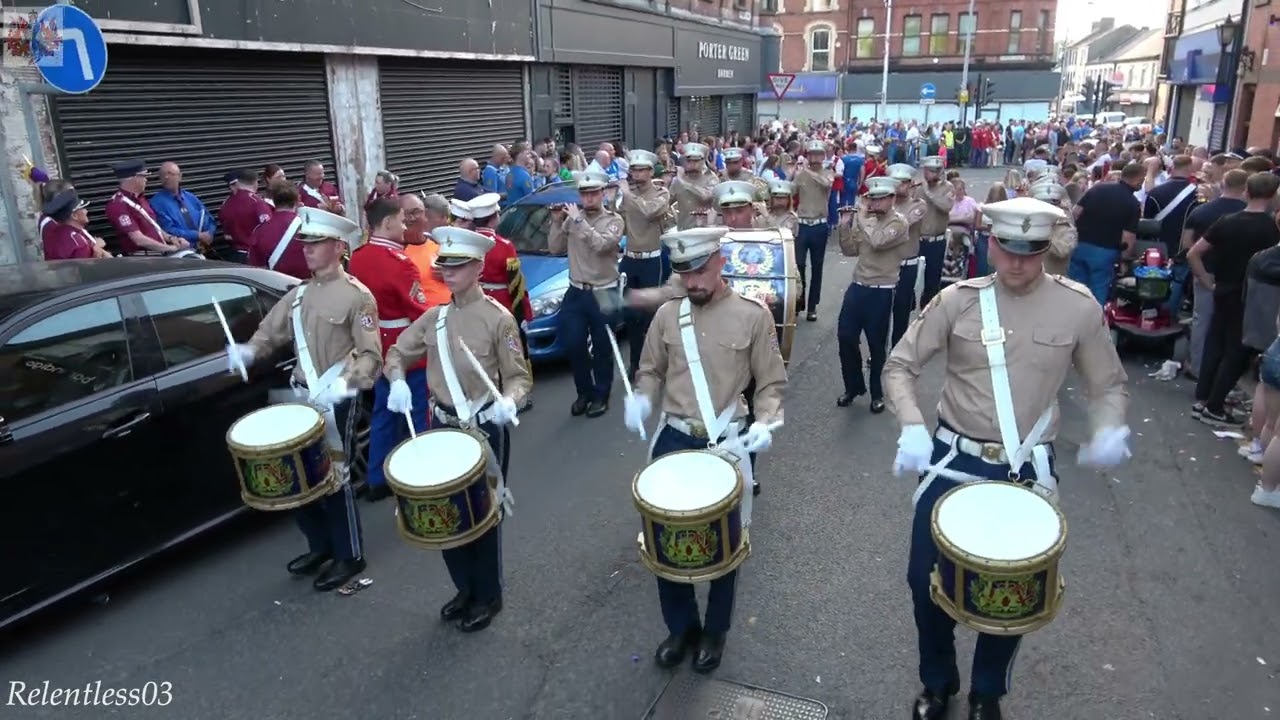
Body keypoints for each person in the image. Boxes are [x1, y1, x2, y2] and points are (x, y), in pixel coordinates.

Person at [883, 196, 1130, 720]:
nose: (1018, 262)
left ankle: (987, 692)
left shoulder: (1078, 305)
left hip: (1025, 469)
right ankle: (938, 682)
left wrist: (1109, 427)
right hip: (954, 462)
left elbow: (1107, 384)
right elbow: (901, 366)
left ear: (1046, 248)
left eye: (1031, 250)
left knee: (1012, 594)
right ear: (989, 242)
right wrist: (910, 425)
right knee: (924, 582)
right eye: (1008, 248)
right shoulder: (957, 300)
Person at [622, 226, 787, 674]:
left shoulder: (754, 316)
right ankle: (681, 627)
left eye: (698, 271)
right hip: (675, 437)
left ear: (719, 261)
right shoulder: (666, 316)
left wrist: (768, 420)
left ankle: (715, 628)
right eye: (683, 273)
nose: (692, 282)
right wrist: (641, 396)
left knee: (726, 542)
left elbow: (771, 382)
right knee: (665, 540)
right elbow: (651, 369)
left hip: (729, 439)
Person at [384, 226, 532, 632]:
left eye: (458, 265)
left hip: (484, 425)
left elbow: (519, 377)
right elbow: (397, 351)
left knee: (483, 515)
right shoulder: (434, 318)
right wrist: (396, 379)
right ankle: (463, 588)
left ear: (478, 267)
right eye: (444, 265)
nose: (447, 272)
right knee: (444, 511)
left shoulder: (498, 320)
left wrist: (509, 401)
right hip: (441, 424)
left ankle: (488, 594)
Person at [226, 207, 381, 591]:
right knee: (298, 475)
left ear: (338, 247)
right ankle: (320, 546)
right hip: (300, 393)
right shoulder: (297, 295)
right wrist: (249, 351)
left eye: (316, 243)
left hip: (337, 396)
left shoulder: (357, 296)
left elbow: (370, 355)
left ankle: (349, 554)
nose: (308, 250)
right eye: (306, 243)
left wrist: (347, 385)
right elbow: (270, 333)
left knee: (335, 477)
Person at [346, 197, 432, 501]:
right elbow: (418, 309)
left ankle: (377, 476)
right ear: (387, 223)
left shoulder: (357, 257)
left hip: (374, 344)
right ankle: (421, 473)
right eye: (401, 220)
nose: (405, 225)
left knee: (384, 410)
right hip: (403, 344)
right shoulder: (401, 263)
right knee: (419, 409)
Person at [1188, 171, 1280, 426]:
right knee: (1237, 351)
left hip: (1223, 288)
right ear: (1273, 197)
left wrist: (1208, 281)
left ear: (1246, 192)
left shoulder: (1226, 221)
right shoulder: (1272, 228)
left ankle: (1203, 399)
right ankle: (1215, 407)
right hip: (1255, 296)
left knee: (1215, 341)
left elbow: (1193, 253)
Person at [547, 170, 624, 418]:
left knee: (602, 346)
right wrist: (558, 221)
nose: (588, 198)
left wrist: (578, 222)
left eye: (593, 193)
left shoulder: (614, 220)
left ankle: (601, 395)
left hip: (604, 290)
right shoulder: (572, 218)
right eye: (584, 193)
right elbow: (554, 247)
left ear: (602, 193)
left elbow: (602, 246)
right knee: (574, 345)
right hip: (576, 291)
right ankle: (584, 392)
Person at [837, 176, 908, 411]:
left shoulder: (898, 223)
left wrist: (862, 218)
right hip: (858, 286)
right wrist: (845, 225)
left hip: (881, 291)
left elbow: (877, 242)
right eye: (872, 199)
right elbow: (849, 250)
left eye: (879, 199)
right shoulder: (867, 222)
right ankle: (853, 386)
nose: (874, 204)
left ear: (892, 199)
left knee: (877, 345)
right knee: (846, 336)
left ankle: (877, 393)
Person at [617, 149, 672, 379]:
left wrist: (628, 195)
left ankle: (654, 364)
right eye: (633, 169)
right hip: (630, 259)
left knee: (652, 316)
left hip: (652, 259)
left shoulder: (661, 193)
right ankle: (635, 363)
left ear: (650, 171)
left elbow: (650, 212)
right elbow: (616, 213)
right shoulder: (627, 194)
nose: (636, 174)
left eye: (641, 170)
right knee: (631, 315)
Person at [1068, 163, 1144, 305]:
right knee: (1097, 293)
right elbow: (1128, 237)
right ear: (1138, 179)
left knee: (1074, 288)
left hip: (1080, 245)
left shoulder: (1097, 189)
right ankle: (1094, 324)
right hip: (1105, 252)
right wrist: (1125, 260)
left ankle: (1071, 320)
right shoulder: (1133, 203)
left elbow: (1075, 213)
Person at [105, 160, 199, 257]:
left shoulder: (140, 199)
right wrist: (170, 248)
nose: (146, 180)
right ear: (135, 178)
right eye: (144, 177)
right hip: (144, 259)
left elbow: (154, 227)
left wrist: (172, 239)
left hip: (159, 254)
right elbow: (138, 239)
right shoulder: (118, 205)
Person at [793, 140, 835, 321]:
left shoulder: (828, 172)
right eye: (812, 154)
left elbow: (826, 184)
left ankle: (812, 306)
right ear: (808, 155)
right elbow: (791, 191)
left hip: (819, 225)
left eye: (819, 154)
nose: (815, 158)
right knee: (799, 265)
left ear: (823, 156)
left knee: (817, 267)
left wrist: (807, 171)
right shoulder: (800, 175)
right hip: (802, 224)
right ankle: (799, 299)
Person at [887, 164, 927, 348]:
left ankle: (897, 349)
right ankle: (878, 350)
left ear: (910, 184)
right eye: (895, 183)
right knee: (881, 313)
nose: (899, 187)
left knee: (901, 311)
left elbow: (903, 225)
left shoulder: (918, 205)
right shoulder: (886, 204)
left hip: (907, 264)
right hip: (886, 264)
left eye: (903, 183)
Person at [247, 181, 308, 278]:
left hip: (277, 287)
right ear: (297, 201)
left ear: (274, 202)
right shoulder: (309, 227)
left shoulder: (260, 231)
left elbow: (256, 268)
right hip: (310, 285)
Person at [917, 156, 955, 310]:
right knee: (912, 281)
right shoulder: (918, 187)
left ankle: (928, 313)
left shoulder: (948, 188)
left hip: (936, 241)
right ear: (924, 171)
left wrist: (929, 193)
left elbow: (946, 206)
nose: (933, 174)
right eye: (930, 171)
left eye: (937, 171)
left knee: (932, 282)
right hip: (917, 240)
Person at [42, 190, 108, 260]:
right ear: (74, 216)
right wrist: (97, 253)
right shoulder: (78, 243)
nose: (86, 211)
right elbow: (84, 269)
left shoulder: (54, 233)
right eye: (82, 208)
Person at [1029, 180, 1077, 276]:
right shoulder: (1029, 223)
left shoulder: (1065, 227)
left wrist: (1043, 231)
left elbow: (1062, 251)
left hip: (1053, 279)